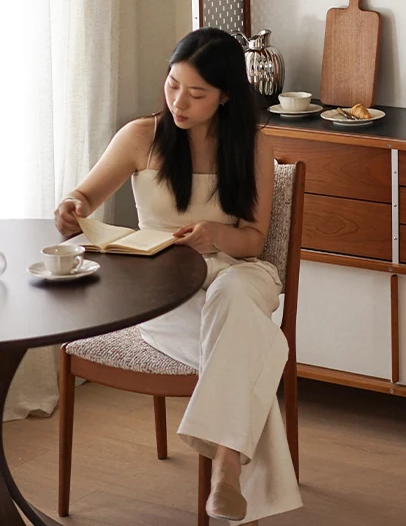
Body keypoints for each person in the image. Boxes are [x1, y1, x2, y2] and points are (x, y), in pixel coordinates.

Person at [54, 27, 302, 524]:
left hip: (240, 271)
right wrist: (71, 208)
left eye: (196, 93)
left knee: (231, 298)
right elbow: (83, 199)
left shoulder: (250, 146)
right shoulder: (141, 137)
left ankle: (226, 466)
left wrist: (215, 235)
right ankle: (227, 465)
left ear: (226, 95)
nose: (178, 103)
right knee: (245, 345)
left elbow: (254, 240)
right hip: (164, 290)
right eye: (172, 85)